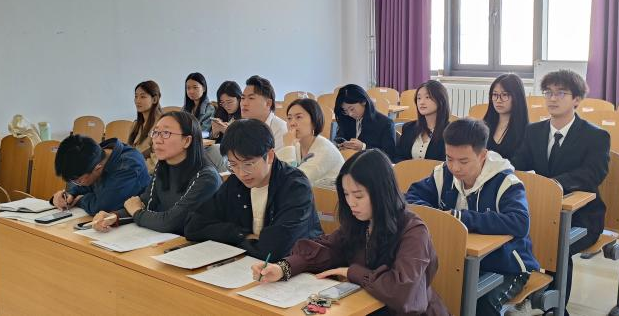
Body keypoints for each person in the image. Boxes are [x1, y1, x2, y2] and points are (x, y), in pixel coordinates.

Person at [253, 149, 449, 316]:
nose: (351, 203)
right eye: (346, 194)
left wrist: (351, 272)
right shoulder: (360, 222)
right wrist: (283, 268)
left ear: (382, 192)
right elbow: (327, 249)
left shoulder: (413, 231)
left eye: (358, 195)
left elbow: (402, 293)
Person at [406, 118, 539, 315]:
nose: (455, 167)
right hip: (460, 260)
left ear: (483, 155)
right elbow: (412, 197)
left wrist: (460, 218)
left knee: (481, 303)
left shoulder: (506, 182)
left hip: (507, 266)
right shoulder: (443, 174)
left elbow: (520, 222)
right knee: (433, 292)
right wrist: (438, 217)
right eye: (449, 158)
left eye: (463, 161)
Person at [511, 70, 609, 315]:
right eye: (548, 93)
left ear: (577, 99)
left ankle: (556, 307)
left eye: (561, 93)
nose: (552, 99)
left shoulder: (595, 136)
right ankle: (515, 293)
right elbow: (518, 165)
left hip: (581, 215)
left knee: (556, 245)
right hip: (540, 209)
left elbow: (592, 174)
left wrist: (551, 185)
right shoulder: (534, 131)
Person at [184, 119, 322, 261]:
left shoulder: (295, 187)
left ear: (270, 156)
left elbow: (274, 251)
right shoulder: (236, 183)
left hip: (298, 267)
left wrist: (230, 241)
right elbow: (193, 226)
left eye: (248, 164)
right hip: (247, 264)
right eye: (233, 165)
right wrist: (241, 235)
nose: (242, 173)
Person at [90, 111, 221, 234]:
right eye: (156, 133)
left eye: (166, 133)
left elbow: (170, 222)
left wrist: (136, 212)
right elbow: (146, 204)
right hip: (168, 240)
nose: (157, 140)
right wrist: (114, 217)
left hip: (197, 244)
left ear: (187, 141)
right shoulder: (163, 166)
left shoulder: (206, 177)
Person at [50, 135, 151, 215]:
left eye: (78, 181)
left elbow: (101, 207)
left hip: (138, 221)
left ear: (97, 168)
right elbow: (87, 186)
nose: (76, 183)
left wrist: (80, 200)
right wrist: (69, 194)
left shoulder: (128, 166)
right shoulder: (93, 157)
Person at [276, 99, 344, 188]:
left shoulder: (324, 149)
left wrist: (288, 147)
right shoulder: (296, 145)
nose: (292, 123)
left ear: (314, 121)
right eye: (289, 118)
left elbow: (294, 183)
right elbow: (274, 173)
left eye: (298, 117)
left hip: (330, 196)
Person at [394, 80, 450, 162]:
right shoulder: (408, 128)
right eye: (419, 98)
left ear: (441, 100)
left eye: (427, 97)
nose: (421, 102)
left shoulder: (450, 132)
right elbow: (398, 157)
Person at [334, 84, 396, 159]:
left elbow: (389, 155)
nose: (350, 114)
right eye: (345, 110)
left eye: (352, 109)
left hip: (372, 164)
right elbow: (339, 138)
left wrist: (364, 147)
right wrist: (341, 145)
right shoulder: (346, 119)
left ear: (363, 102)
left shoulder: (386, 123)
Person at [483, 74, 529, 160]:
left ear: (516, 97)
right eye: (495, 95)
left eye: (504, 95)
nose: (498, 100)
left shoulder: (527, 131)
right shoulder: (484, 126)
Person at [240, 75, 287, 149]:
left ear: (268, 103)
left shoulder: (280, 130)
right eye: (242, 98)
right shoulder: (244, 126)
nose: (244, 103)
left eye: (251, 98)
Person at [128, 80, 162, 171]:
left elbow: (155, 163)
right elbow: (128, 153)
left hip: (147, 174)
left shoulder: (162, 125)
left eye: (143, 97)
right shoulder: (135, 125)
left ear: (154, 99)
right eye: (136, 96)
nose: (137, 101)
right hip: (134, 169)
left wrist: (132, 169)